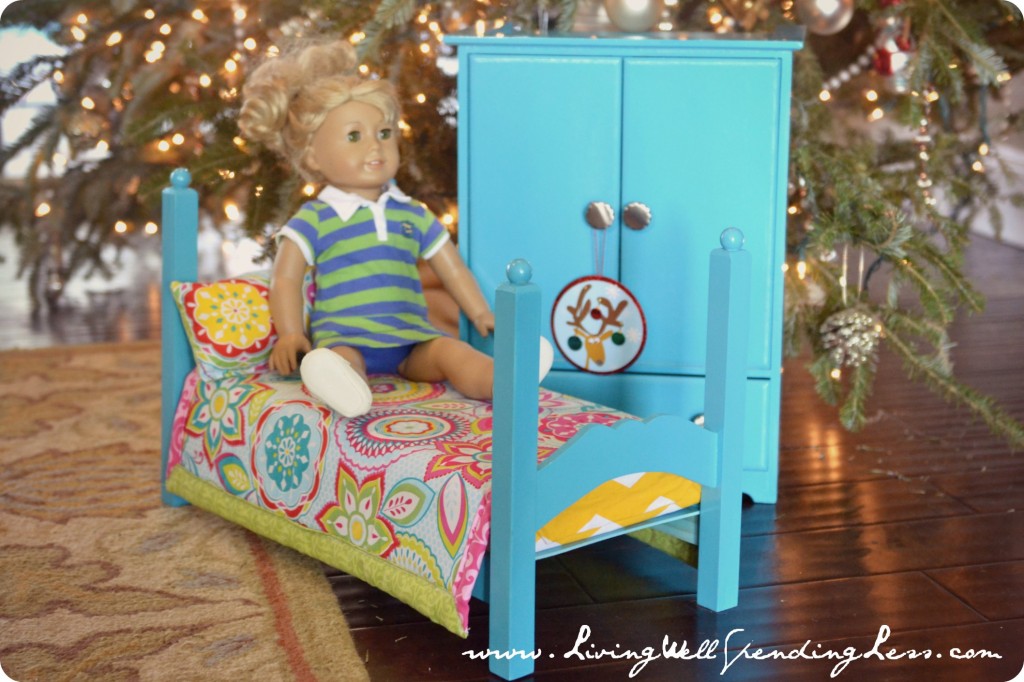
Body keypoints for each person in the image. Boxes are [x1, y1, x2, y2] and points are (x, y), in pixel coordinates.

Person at [238, 39, 551, 417]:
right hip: (345, 337)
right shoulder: (315, 218)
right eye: (355, 136)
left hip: (411, 339)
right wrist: (292, 333)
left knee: (451, 352)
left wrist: (481, 312)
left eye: (384, 133)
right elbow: (285, 280)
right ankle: (344, 389)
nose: (375, 147)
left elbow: (451, 267)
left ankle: (504, 380)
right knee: (339, 361)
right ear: (313, 155)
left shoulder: (411, 214)